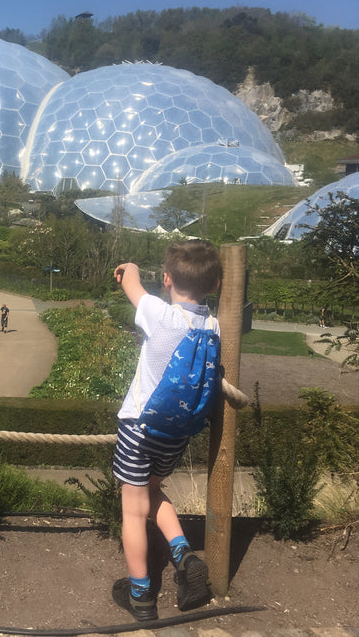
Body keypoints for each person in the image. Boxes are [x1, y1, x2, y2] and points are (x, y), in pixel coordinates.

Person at [112, 240, 222, 621]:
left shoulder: (161, 314)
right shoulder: (213, 325)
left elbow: (131, 284)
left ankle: (140, 595)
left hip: (139, 428)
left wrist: (128, 266)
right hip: (176, 434)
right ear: (215, 285)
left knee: (133, 510)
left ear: (168, 278)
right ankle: (184, 557)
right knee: (154, 492)